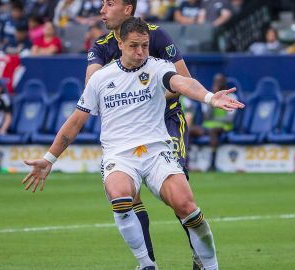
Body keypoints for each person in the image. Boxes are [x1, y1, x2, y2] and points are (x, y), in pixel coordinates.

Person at [22, 17, 244, 270]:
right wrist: (49, 159)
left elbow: (183, 82)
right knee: (120, 196)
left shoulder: (157, 67)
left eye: (145, 46)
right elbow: (75, 122)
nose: (140, 52)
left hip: (157, 152)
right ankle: (146, 264)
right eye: (134, 46)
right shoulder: (100, 79)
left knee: (187, 207)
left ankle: (211, 266)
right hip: (120, 156)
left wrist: (209, 98)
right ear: (120, 42)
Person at [86, 0, 201, 268]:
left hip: (166, 121)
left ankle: (200, 255)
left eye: (109, 3)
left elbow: (183, 79)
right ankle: (148, 263)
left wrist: (149, 94)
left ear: (128, 9)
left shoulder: (156, 35)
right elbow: (91, 87)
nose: (102, 9)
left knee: (179, 195)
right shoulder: (101, 46)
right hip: (128, 131)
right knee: (129, 195)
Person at [189, 74, 237, 171]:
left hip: (224, 126)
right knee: (189, 131)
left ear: (224, 83)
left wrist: (216, 120)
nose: (217, 84)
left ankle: (212, 164)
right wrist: (213, 100)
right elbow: (207, 117)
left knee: (213, 131)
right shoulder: (209, 96)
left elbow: (229, 119)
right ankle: (186, 162)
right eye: (216, 81)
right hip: (208, 126)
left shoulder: (232, 96)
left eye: (220, 81)